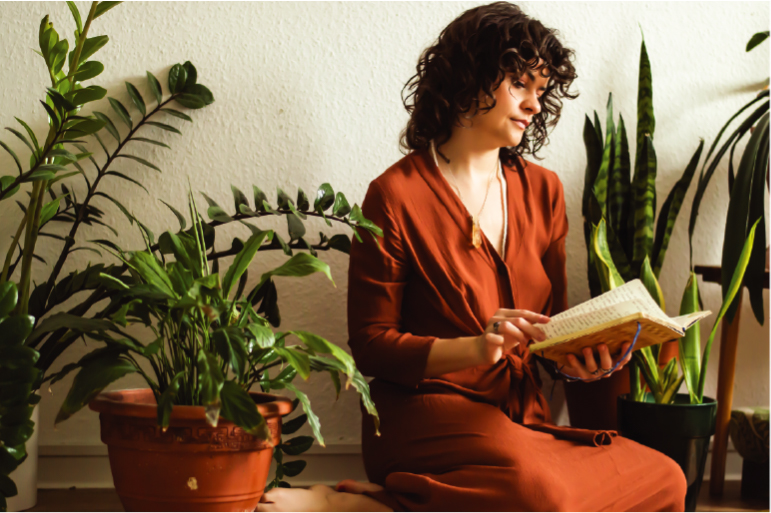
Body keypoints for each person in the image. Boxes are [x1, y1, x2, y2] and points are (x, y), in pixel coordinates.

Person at [258, 2, 688, 511]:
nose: (534, 104)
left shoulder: (545, 192)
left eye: (541, 90)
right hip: (426, 415)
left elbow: (552, 330)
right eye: (519, 84)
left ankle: (389, 505)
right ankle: (365, 501)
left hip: (522, 422)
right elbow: (371, 346)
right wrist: (476, 349)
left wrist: (584, 363)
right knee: (540, 496)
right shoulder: (394, 195)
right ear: (469, 79)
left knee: (666, 479)